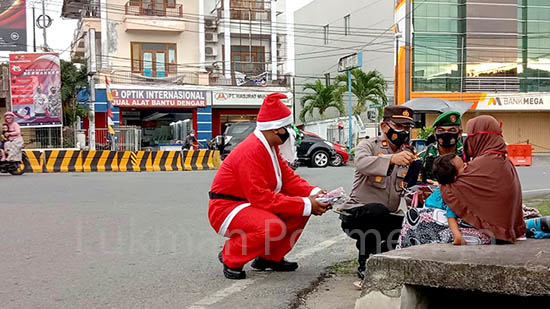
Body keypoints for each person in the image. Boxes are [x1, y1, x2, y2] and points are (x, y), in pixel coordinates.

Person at [208, 93, 329, 280]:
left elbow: (288, 179)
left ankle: (270, 258)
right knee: (271, 227)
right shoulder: (251, 151)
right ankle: (230, 256)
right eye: (287, 128)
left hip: (248, 204)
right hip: (227, 209)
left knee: (301, 211)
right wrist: (307, 203)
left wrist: (314, 194)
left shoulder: (268, 147)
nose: (290, 132)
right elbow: (261, 197)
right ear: (275, 130)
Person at [398, 115, 526, 248]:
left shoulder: (481, 164)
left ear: (478, 138)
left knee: (413, 218)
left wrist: (441, 185)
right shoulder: (503, 162)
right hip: (501, 228)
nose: (468, 141)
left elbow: (451, 193)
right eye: (441, 131)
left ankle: (401, 261)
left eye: (470, 136)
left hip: (488, 231)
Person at [340, 105, 415, 280]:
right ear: (384, 127)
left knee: (409, 226)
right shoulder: (369, 146)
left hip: (388, 215)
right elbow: (361, 163)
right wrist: (391, 159)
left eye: (407, 128)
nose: (403, 132)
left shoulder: (409, 154)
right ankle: (365, 262)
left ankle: (381, 258)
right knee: (377, 211)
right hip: (358, 214)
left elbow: (409, 190)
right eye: (399, 127)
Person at [425, 153, 467, 245]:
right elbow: (450, 216)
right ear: (455, 177)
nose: (467, 165)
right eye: (463, 166)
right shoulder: (452, 194)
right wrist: (457, 236)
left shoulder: (447, 184)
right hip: (431, 210)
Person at [419, 111, 463, 182]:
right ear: (435, 133)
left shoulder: (467, 156)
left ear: (459, 133)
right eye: (441, 130)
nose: (446, 134)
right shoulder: (424, 156)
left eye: (451, 130)